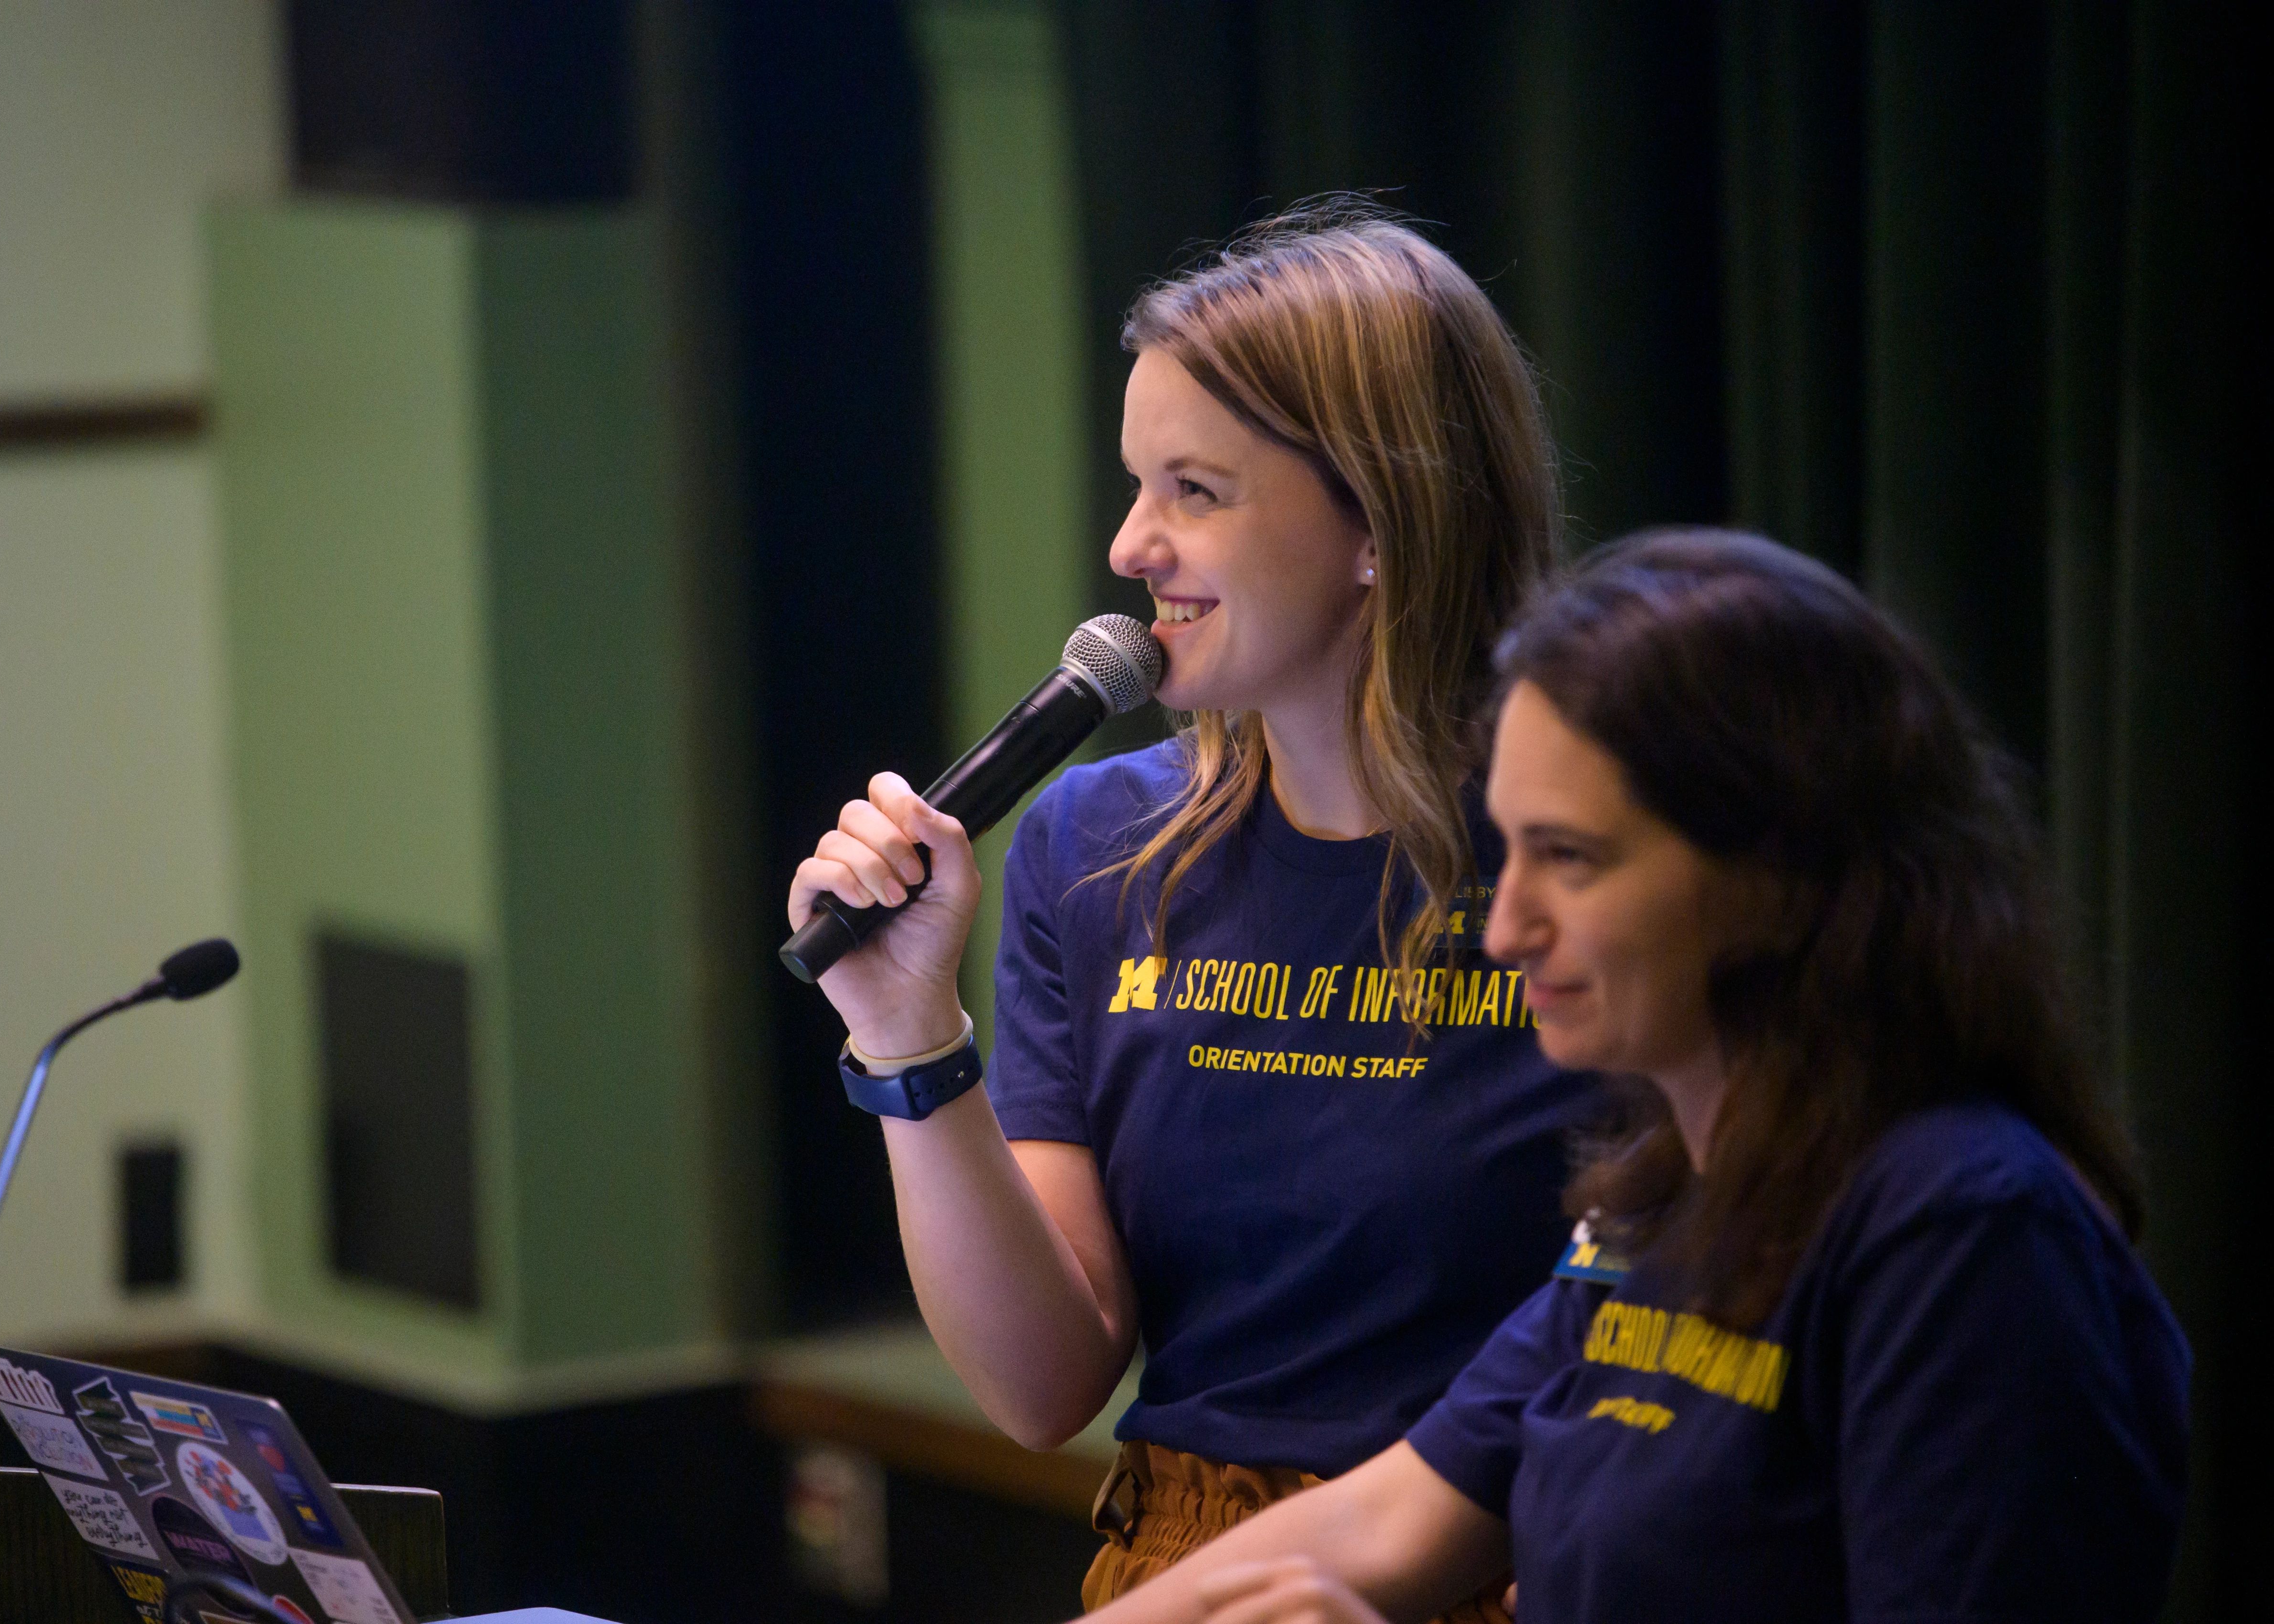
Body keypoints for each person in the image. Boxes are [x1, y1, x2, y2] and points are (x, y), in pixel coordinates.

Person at [1074, 528, 2191, 1624]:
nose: (1505, 928)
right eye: (1507, 852)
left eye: (1570, 857)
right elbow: (1381, 1523)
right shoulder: (1662, 1209)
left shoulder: (1965, 1230)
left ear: (1778, 870)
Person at [784, 203, 1602, 1610]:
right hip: (1185, 1560)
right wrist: (912, 1031)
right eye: (1134, 485)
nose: (1129, 546)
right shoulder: (1095, 843)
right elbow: (1043, 1384)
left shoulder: (1587, 851)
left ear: (1379, 520)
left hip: (1526, 1554)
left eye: (1194, 490)